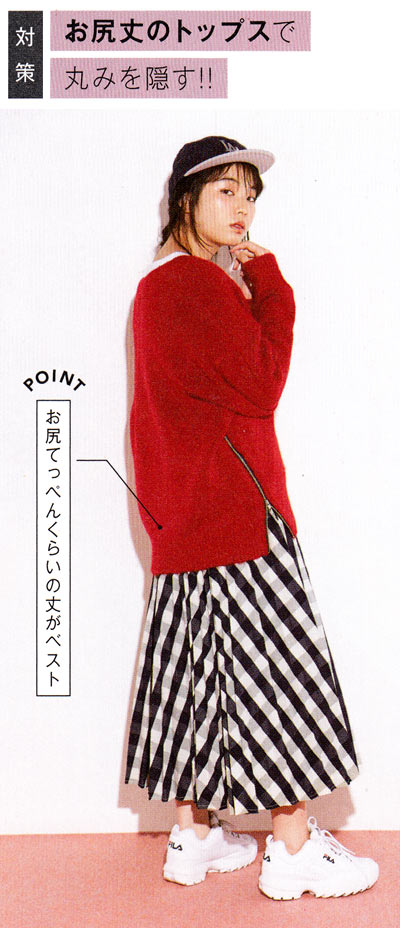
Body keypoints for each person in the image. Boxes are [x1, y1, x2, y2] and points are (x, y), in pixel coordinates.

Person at [124, 135, 379, 899]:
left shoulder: (155, 287)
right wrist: (269, 282)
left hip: (184, 515)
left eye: (250, 193)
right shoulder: (198, 284)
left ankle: (194, 836)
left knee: (195, 671)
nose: (243, 207)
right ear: (186, 200)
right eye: (225, 191)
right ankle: (294, 848)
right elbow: (264, 382)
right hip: (237, 509)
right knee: (275, 669)